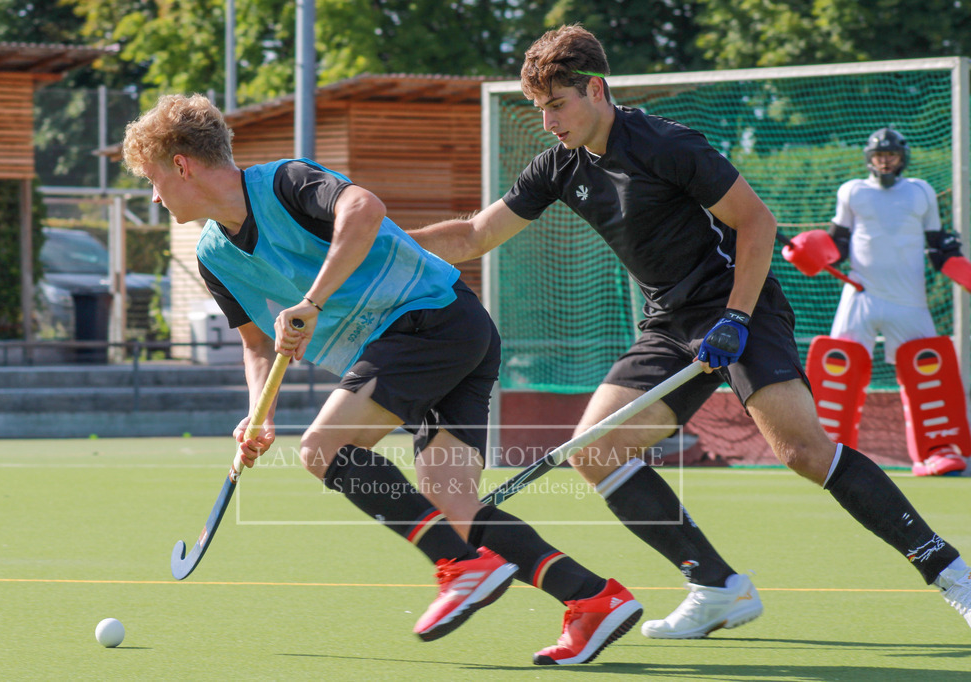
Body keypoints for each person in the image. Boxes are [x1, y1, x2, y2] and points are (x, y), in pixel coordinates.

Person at [409, 25, 971, 636]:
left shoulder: (667, 144)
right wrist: (380, 243)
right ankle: (716, 586)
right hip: (668, 324)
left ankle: (951, 573)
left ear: (595, 89)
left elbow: (757, 223)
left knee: (804, 451)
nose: (548, 122)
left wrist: (736, 318)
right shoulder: (558, 166)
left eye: (556, 105)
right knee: (596, 450)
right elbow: (475, 235)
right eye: (539, 109)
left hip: (738, 305)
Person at [121, 93, 644, 665]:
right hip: (433, 337)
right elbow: (256, 343)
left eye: (152, 179)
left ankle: (461, 569)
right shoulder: (213, 256)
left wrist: (312, 301)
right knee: (452, 506)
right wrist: (258, 413)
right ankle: (593, 598)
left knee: (323, 448)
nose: (154, 196)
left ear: (181, 165)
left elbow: (365, 208)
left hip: (431, 319)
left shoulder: (284, 183)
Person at [783, 128, 971, 476]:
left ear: (902, 158)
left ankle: (936, 450)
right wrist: (812, 250)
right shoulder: (852, 191)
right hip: (860, 297)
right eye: (879, 156)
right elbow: (838, 244)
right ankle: (826, 451)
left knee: (926, 369)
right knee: (839, 368)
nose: (885, 161)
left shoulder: (921, 191)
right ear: (869, 159)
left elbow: (939, 248)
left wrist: (963, 271)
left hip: (910, 301)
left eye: (891, 155)